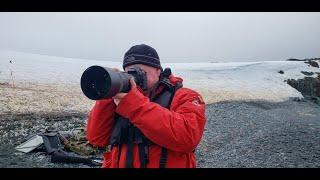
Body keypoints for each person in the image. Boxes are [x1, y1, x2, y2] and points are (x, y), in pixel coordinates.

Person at [86, 44, 206, 168]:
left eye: (140, 72)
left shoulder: (185, 96)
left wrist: (134, 105)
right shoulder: (121, 99)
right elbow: (96, 138)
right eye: (129, 73)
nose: (134, 78)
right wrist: (109, 93)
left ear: (158, 71)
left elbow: (187, 138)